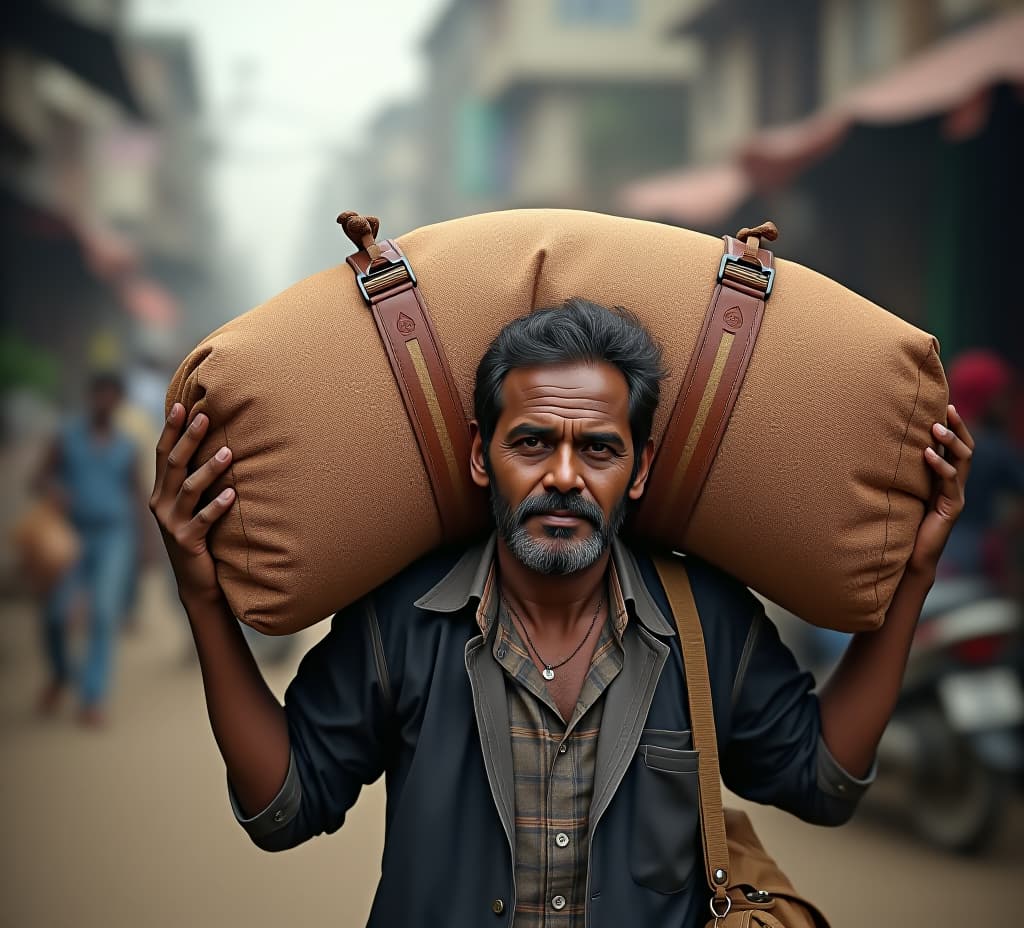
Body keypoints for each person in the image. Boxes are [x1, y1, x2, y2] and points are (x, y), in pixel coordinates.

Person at [150, 300, 971, 927]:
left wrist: (914, 580)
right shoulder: (402, 620)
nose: (566, 477)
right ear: (482, 455)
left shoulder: (700, 621)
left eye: (600, 449)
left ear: (640, 470)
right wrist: (203, 598)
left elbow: (823, 782)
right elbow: (284, 806)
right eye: (534, 442)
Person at [34, 370, 146, 726]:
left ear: (119, 401)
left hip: (114, 535)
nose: (104, 401)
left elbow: (137, 495)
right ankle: (61, 672)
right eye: (99, 394)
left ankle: (93, 695)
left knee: (102, 611)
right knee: (55, 613)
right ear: (90, 396)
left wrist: (147, 545)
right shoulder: (66, 437)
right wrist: (53, 490)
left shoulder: (128, 446)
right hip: (69, 536)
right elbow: (39, 477)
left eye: (112, 395)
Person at [940, 349, 1023, 586]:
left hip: (938, 548)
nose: (1008, 403)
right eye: (1003, 394)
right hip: (976, 553)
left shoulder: (940, 436)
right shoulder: (995, 447)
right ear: (986, 395)